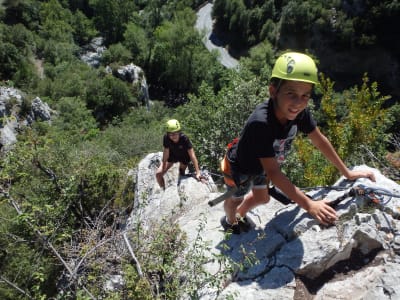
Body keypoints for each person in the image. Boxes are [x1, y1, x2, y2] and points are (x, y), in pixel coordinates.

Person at [221, 52, 376, 234]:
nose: (298, 102)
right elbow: (274, 172)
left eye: (305, 95)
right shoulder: (261, 123)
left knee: (262, 199)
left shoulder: (299, 113)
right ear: (273, 91)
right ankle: (230, 221)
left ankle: (241, 214)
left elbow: (320, 141)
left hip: (262, 166)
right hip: (240, 168)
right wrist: (309, 204)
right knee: (235, 199)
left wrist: (347, 173)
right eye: (291, 93)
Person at [156, 119, 201, 189]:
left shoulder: (184, 139)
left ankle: (180, 185)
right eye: (170, 134)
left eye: (175, 133)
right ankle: (163, 190)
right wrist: (163, 166)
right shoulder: (166, 138)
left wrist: (198, 172)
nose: (173, 136)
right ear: (168, 134)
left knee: (181, 172)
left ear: (179, 132)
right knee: (158, 174)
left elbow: (192, 155)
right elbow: (166, 153)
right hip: (172, 155)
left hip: (184, 156)